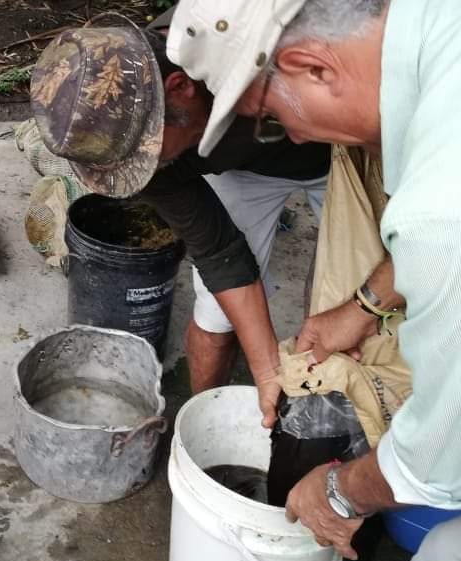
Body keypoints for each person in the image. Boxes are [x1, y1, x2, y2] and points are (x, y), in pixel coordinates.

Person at [165, 0, 461, 561]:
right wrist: (366, 305)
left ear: (313, 65)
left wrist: (337, 495)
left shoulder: (438, 207)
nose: (290, 138)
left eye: (269, 112)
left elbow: (442, 452)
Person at [30, 24, 329, 427]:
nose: (137, 168)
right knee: (217, 314)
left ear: (181, 88)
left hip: (337, 151)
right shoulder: (136, 154)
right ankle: (203, 422)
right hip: (243, 169)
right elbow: (221, 254)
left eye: (142, 153)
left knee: (340, 297)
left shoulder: (258, 39)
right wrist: (267, 372)